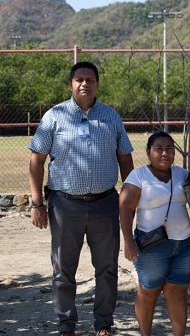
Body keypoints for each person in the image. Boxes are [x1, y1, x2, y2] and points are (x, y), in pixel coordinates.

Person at [28, 61, 134, 336]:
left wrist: (130, 199)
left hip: (105, 204)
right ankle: (66, 325)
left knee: (108, 268)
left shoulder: (111, 117)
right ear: (71, 84)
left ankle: (103, 325)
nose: (85, 83)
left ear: (98, 84)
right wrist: (37, 203)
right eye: (79, 79)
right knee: (63, 269)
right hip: (65, 205)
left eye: (90, 79)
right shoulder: (54, 116)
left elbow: (125, 159)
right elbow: (36, 160)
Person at [119, 131, 190, 336]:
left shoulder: (182, 174)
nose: (165, 154)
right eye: (159, 149)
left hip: (184, 243)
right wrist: (128, 242)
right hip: (152, 245)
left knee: (177, 291)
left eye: (169, 149)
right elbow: (125, 208)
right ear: (149, 152)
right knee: (149, 291)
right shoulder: (139, 175)